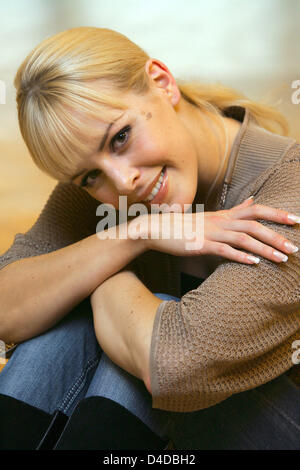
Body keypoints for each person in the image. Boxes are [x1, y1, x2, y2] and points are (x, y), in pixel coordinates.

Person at [0, 26, 299, 450]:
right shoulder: (104, 179)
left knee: (115, 315)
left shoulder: (291, 188)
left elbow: (176, 367)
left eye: (121, 136)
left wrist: (101, 266)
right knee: (66, 323)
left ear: (162, 82)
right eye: (89, 176)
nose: (124, 182)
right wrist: (138, 233)